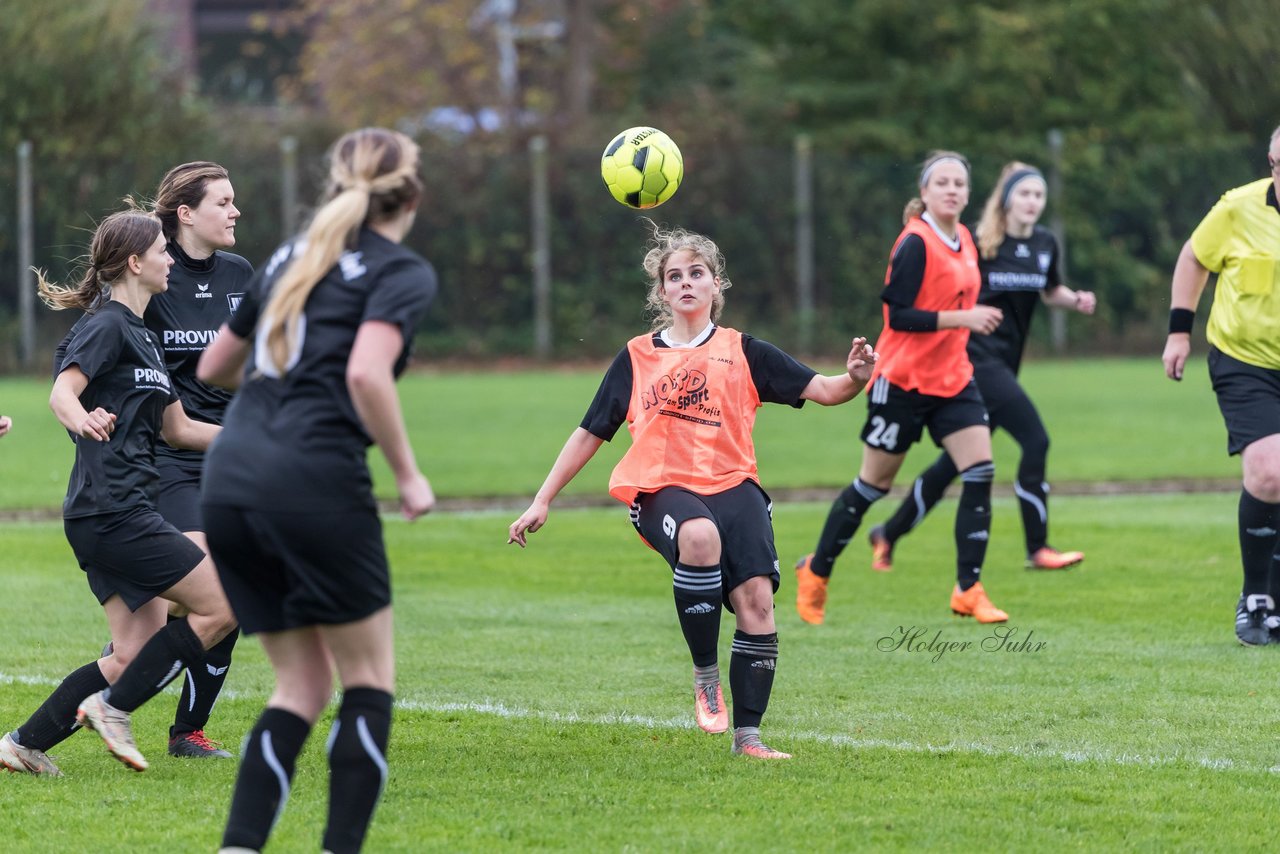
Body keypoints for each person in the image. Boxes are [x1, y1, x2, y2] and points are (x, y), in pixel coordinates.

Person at [507, 222, 878, 761]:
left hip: (734, 485)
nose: (685, 282)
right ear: (661, 292)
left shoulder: (744, 351)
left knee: (757, 602)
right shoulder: (636, 356)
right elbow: (591, 431)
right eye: (674, 276)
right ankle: (707, 674)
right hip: (661, 489)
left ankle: (749, 739)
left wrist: (857, 378)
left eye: (696, 273)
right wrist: (543, 499)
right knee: (699, 538)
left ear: (716, 286)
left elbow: (824, 390)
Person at [197, 127, 437, 853]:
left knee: (299, 689)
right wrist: (407, 473)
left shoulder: (288, 255)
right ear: (412, 194)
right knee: (367, 681)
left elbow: (215, 367)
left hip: (230, 476)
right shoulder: (402, 270)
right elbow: (366, 374)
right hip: (314, 480)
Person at [0, 209, 238, 776]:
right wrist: (81, 420)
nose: (169, 260)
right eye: (161, 250)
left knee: (131, 654)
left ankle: (20, 745)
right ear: (135, 262)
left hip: (114, 510)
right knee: (226, 602)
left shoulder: (144, 334)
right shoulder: (107, 323)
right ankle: (113, 710)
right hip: (113, 510)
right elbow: (62, 392)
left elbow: (178, 430)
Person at [55, 161, 253, 759]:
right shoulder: (139, 300)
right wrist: (85, 420)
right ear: (185, 214)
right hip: (163, 458)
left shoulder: (241, 275)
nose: (235, 211)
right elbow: (81, 382)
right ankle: (124, 708)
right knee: (211, 594)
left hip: (217, 444)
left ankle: (35, 739)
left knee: (175, 620)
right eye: (224, 201)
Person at [796, 150, 1008, 626]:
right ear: (926, 192)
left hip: (953, 380)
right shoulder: (914, 243)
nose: (953, 189)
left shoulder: (967, 239)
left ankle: (968, 588)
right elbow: (900, 317)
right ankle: (817, 570)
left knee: (980, 471)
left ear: (968, 194)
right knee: (873, 485)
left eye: (960, 183)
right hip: (902, 382)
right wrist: (964, 318)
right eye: (943, 183)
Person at [866, 161, 1097, 574]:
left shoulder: (1045, 243)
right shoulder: (983, 242)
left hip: (1007, 363)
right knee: (1036, 440)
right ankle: (1038, 547)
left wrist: (1075, 300)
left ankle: (888, 532)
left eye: (1038, 195)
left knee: (959, 464)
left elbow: (1048, 289)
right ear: (1006, 200)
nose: (1032, 202)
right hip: (973, 360)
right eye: (1023, 193)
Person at [1162, 124, 1280, 647]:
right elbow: (1193, 258)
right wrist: (1177, 333)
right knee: (1270, 471)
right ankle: (1256, 597)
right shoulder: (1238, 207)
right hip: (1245, 360)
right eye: (1278, 165)